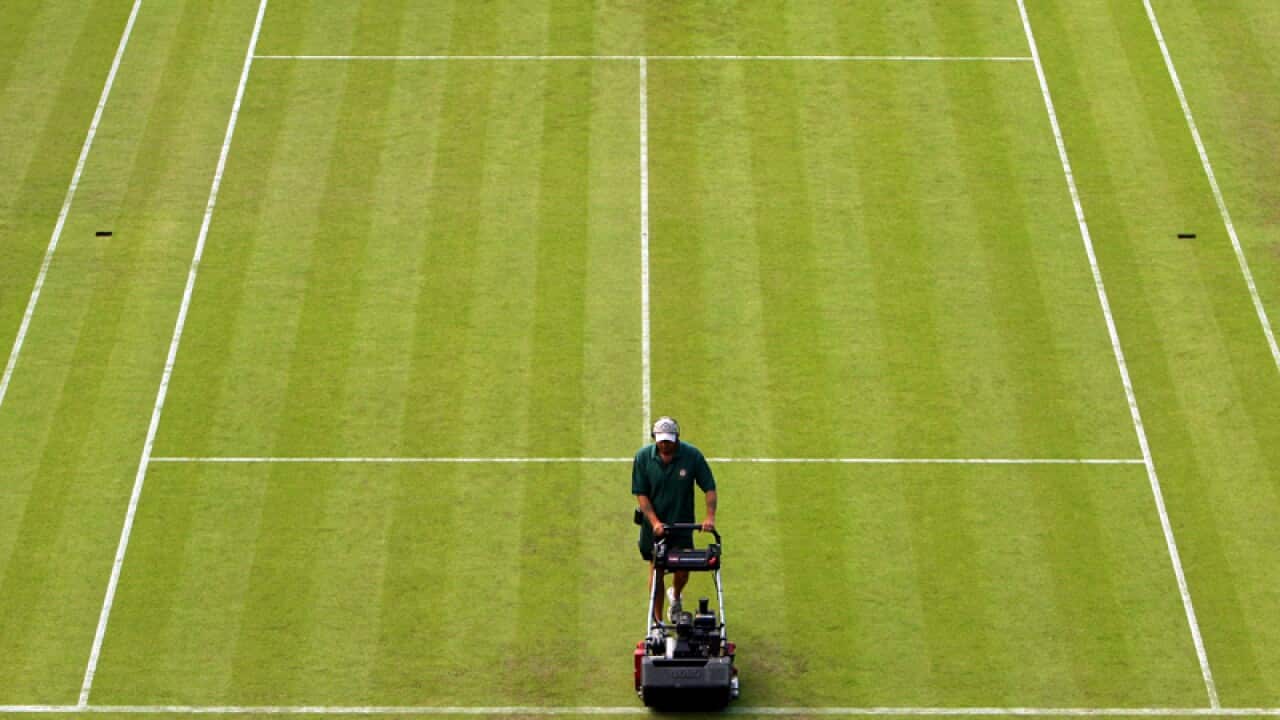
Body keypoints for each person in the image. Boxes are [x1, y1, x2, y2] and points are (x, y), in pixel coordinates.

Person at [633, 416, 717, 622]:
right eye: (661, 440)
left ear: (677, 438)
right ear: (655, 438)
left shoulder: (692, 456)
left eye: (669, 440)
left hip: (682, 524)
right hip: (654, 528)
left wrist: (709, 517)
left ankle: (676, 595)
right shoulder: (643, 458)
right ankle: (658, 622)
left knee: (683, 569)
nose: (665, 444)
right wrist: (654, 522)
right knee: (657, 570)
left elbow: (709, 487)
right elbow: (641, 495)